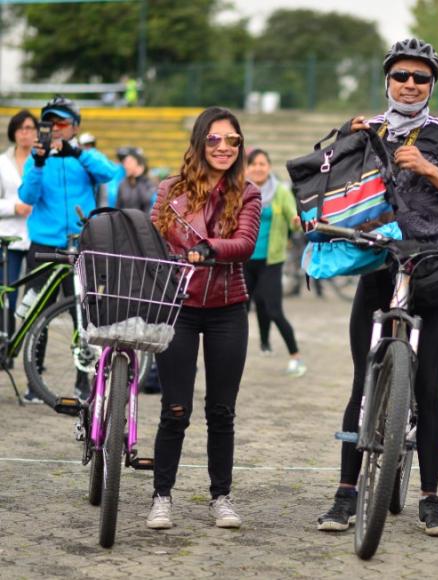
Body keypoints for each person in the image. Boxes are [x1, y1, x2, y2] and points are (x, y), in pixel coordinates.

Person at [316, 38, 438, 537]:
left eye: (420, 78)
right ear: (386, 80)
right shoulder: (366, 128)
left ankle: (431, 499)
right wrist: (339, 144)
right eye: (401, 76)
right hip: (378, 263)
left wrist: (429, 168)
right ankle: (346, 493)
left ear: (432, 85)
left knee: (430, 390)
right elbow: (322, 187)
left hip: (433, 265)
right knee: (359, 384)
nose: (409, 85)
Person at [145, 106, 261, 530]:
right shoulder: (169, 190)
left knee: (221, 410)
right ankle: (161, 496)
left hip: (228, 309)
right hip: (178, 307)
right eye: (214, 139)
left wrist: (211, 246)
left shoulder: (247, 192)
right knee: (175, 409)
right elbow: (153, 239)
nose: (224, 147)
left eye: (233, 140)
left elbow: (246, 243)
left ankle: (221, 497)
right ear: (199, 142)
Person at [18, 96, 116, 400]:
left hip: (80, 244)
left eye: (61, 123)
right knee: (38, 312)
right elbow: (28, 196)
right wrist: (37, 163)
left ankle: (83, 382)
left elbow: (108, 172)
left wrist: (77, 152)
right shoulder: (38, 159)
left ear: (75, 127)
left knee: (82, 313)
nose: (55, 128)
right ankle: (35, 383)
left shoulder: (86, 156)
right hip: (44, 244)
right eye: (49, 122)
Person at [244, 148, 306, 376]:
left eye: (262, 164)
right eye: (254, 164)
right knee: (238, 312)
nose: (258, 168)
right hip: (244, 260)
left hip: (271, 261)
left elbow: (293, 217)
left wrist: (296, 221)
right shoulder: (240, 191)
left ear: (269, 167)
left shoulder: (280, 192)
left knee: (274, 310)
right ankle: (237, 357)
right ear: (247, 168)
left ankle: (296, 357)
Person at [0, 110, 36, 393]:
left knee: (36, 302)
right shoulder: (2, 163)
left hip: (37, 237)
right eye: (20, 128)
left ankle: (33, 360)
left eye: (30, 128)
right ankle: (5, 349)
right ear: (14, 132)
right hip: (9, 237)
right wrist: (13, 207)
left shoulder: (44, 161)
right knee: (7, 298)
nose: (25, 133)